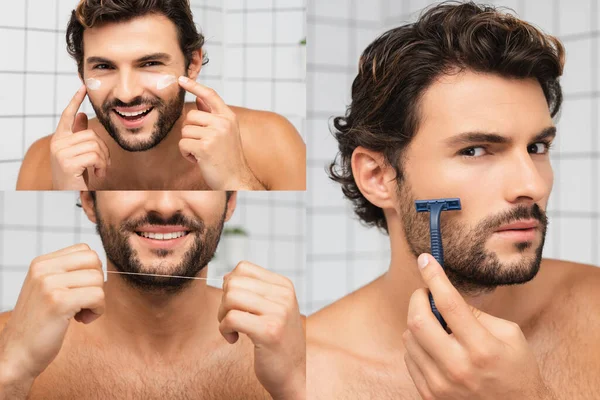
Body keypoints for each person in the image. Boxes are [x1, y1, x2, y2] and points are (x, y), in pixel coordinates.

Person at [307, 3, 600, 399]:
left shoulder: (593, 306)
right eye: (476, 150)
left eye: (536, 146)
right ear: (378, 177)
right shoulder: (307, 373)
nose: (532, 184)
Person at [0, 191, 306, 399]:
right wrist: (12, 376)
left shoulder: (298, 348)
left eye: (195, 181)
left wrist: (294, 389)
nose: (164, 204)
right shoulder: (8, 347)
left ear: (229, 202)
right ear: (89, 200)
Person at [16, 0, 306, 191]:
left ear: (192, 64)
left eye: (151, 64)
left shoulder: (271, 141)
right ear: (82, 74)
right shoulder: (42, 163)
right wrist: (67, 193)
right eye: (104, 67)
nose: (127, 93)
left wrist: (236, 179)